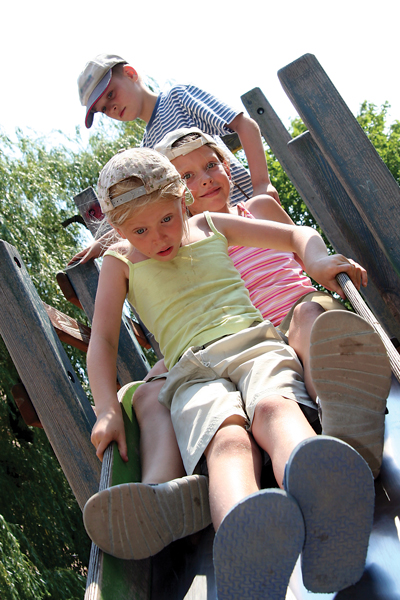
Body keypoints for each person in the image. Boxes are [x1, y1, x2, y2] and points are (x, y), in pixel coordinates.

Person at [82, 147, 383, 598]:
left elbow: (296, 235)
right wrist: (106, 407)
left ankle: (328, 501)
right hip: (191, 373)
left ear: (183, 199)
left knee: (274, 408)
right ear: (119, 230)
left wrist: (317, 262)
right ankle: (248, 538)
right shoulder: (120, 261)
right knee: (227, 439)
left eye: (166, 218)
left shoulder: (209, 225)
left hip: (254, 344)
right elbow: (102, 340)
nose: (159, 236)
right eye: (140, 230)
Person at [77, 52, 280, 205]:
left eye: (111, 94)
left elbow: (245, 125)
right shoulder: (147, 151)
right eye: (103, 109)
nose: (110, 108)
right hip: (218, 238)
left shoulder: (178, 98)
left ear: (130, 74)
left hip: (249, 207)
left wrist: (262, 185)